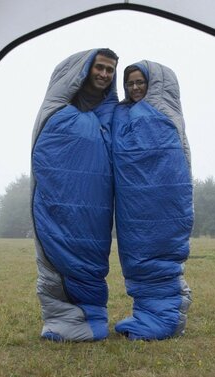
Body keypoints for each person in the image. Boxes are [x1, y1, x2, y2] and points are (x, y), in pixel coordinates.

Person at [30, 48, 118, 342]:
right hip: (59, 197)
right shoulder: (56, 109)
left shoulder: (111, 115)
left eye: (110, 70)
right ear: (83, 71)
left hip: (96, 202)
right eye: (100, 68)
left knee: (92, 249)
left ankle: (91, 316)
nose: (104, 75)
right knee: (57, 250)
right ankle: (65, 316)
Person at [112, 61, 193, 340]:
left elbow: (171, 155)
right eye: (130, 83)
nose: (134, 88)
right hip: (132, 200)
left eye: (140, 82)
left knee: (158, 248)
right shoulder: (122, 114)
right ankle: (148, 313)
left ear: (154, 84)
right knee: (135, 252)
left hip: (161, 196)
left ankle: (168, 317)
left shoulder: (163, 113)